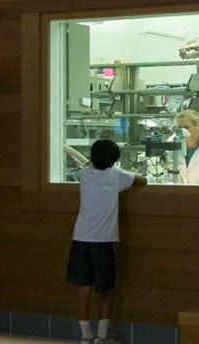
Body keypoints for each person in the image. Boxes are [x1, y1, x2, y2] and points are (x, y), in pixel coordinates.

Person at [66, 139, 147, 344]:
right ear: (113, 162)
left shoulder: (84, 175)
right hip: (103, 241)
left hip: (80, 239)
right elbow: (143, 180)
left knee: (84, 288)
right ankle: (101, 336)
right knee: (107, 289)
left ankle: (85, 336)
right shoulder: (116, 176)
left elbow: (87, 165)